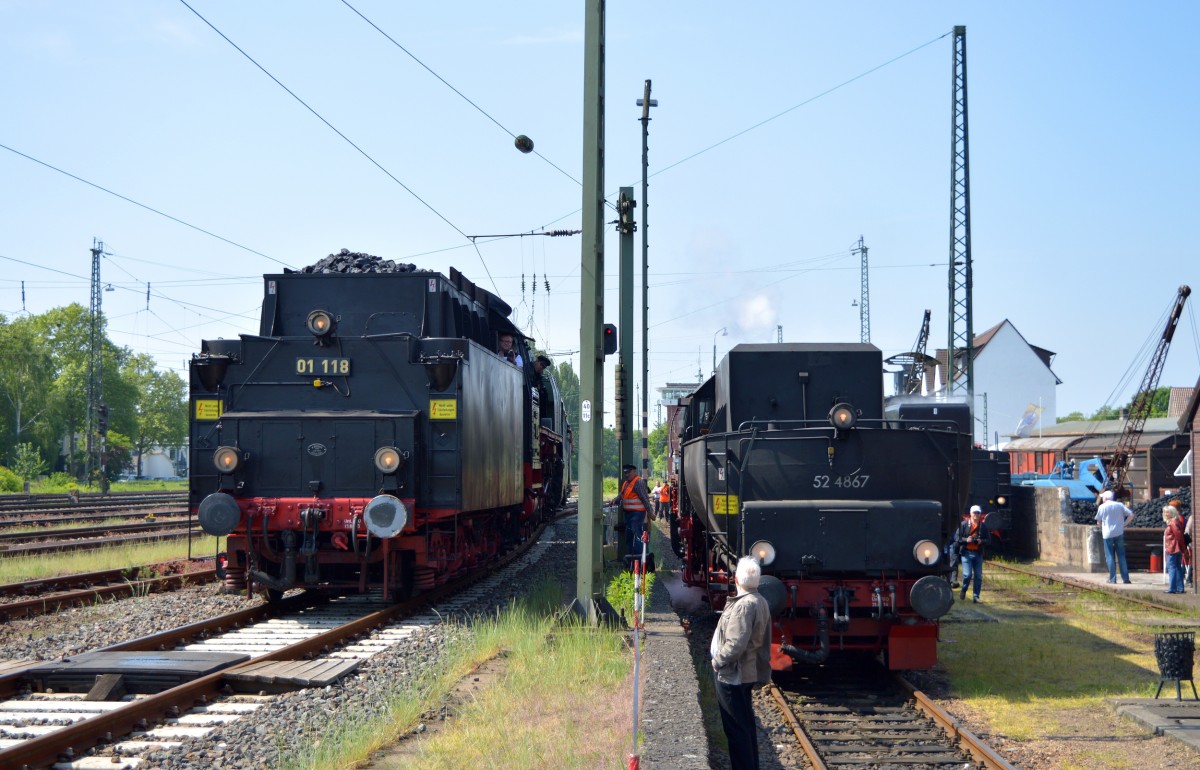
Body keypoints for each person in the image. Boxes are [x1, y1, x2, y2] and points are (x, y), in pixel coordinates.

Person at [710, 556, 772, 770]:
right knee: (745, 727)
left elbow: (736, 643)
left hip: (733, 674)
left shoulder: (744, 606)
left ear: (737, 579)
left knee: (736, 730)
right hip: (746, 671)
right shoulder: (760, 600)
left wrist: (717, 661)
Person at [613, 464, 654, 558]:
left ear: (634, 472)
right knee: (630, 537)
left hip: (637, 514)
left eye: (629, 472)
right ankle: (633, 560)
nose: (627, 474)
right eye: (625, 473)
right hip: (629, 514)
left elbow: (645, 498)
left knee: (636, 536)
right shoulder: (626, 483)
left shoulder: (638, 482)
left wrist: (651, 513)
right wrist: (615, 500)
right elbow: (621, 495)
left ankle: (639, 560)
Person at [1094, 489, 1134, 584]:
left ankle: (1112, 579)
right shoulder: (1119, 505)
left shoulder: (1102, 507)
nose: (1102, 498)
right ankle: (1126, 579)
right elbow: (1131, 515)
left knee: (1110, 556)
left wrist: (1100, 525)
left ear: (1106, 498)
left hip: (1107, 534)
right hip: (1119, 532)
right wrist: (1124, 524)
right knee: (1121, 556)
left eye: (1103, 497)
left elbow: (1098, 521)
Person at [954, 505, 989, 602]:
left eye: (978, 513)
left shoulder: (983, 526)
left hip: (978, 553)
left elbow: (989, 540)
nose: (976, 515)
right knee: (967, 575)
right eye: (974, 513)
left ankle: (976, 596)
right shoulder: (964, 525)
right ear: (970, 513)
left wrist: (982, 541)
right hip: (966, 553)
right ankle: (964, 589)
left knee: (978, 576)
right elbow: (957, 538)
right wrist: (966, 540)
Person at [1163, 506, 1189, 594]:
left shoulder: (1173, 523)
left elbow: (1179, 536)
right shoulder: (1175, 522)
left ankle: (1172, 588)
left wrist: (1183, 549)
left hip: (1173, 548)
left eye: (1168, 512)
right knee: (1177, 567)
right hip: (1176, 548)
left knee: (1172, 567)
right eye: (1165, 512)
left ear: (1173, 513)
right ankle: (1180, 587)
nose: (1166, 514)